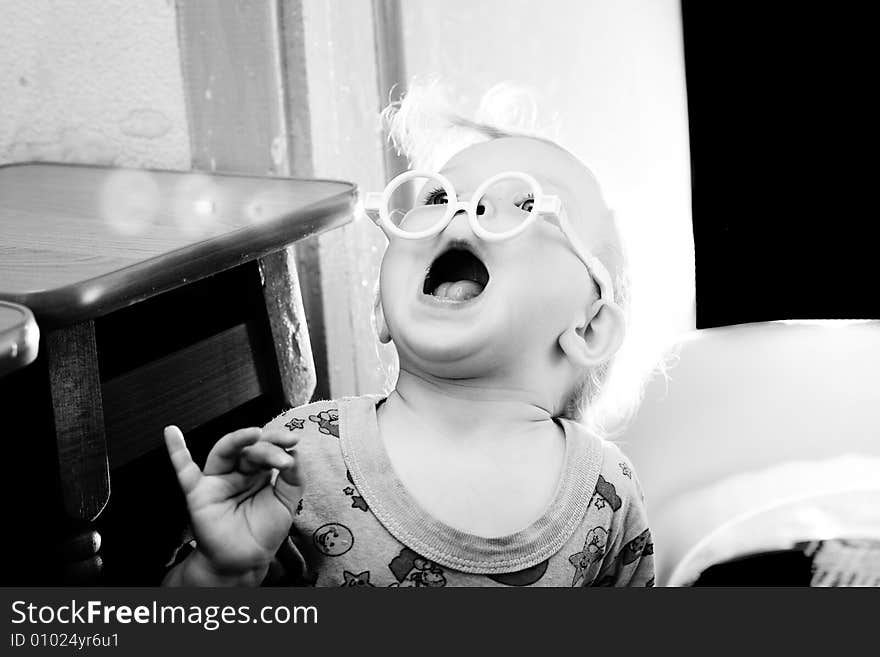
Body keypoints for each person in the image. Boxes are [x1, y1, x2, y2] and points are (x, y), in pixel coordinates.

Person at [162, 89, 654, 588]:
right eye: (438, 197)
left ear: (589, 328)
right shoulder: (300, 455)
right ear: (381, 308)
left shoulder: (607, 492)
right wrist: (218, 573)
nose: (463, 210)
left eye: (526, 202)